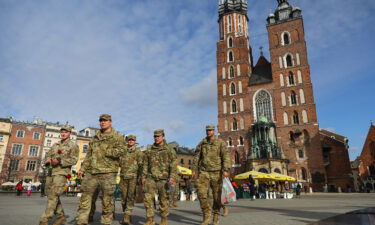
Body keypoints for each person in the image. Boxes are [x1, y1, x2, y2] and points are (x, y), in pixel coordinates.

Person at [76, 114, 125, 225]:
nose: (103, 122)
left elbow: (123, 150)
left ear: (110, 122)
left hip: (108, 173)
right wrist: (82, 168)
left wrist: (108, 151)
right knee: (85, 198)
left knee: (107, 201)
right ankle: (81, 221)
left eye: (105, 120)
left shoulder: (117, 136)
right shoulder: (95, 137)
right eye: (101, 121)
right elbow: (89, 155)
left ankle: (106, 222)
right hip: (92, 172)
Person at [39, 125, 79, 225]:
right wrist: (47, 160)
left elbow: (74, 160)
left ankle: (44, 219)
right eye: (62, 131)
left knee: (54, 194)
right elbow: (47, 154)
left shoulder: (73, 145)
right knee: (49, 194)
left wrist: (60, 161)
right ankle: (61, 216)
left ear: (70, 133)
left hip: (62, 172)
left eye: (65, 132)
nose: (63, 133)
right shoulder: (55, 144)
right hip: (51, 171)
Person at [192, 125, 230, 225]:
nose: (208, 132)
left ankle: (216, 216)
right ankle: (206, 216)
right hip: (204, 172)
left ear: (214, 131)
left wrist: (225, 169)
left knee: (217, 197)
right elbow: (196, 157)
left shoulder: (220, 143)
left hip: (217, 172)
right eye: (207, 130)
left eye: (210, 130)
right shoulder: (202, 143)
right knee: (201, 194)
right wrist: (194, 170)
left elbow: (225, 156)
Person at [141, 129, 177, 225]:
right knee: (148, 199)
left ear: (163, 137)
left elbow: (173, 164)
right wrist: (143, 176)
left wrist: (172, 176)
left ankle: (163, 219)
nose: (156, 138)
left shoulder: (169, 149)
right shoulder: (150, 150)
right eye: (155, 136)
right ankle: (150, 219)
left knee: (163, 200)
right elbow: (145, 164)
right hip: (151, 178)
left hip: (164, 179)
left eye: (158, 136)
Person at [119, 134, 143, 225]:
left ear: (135, 141)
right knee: (123, 198)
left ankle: (126, 217)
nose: (130, 141)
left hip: (133, 178)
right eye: (129, 140)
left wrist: (141, 177)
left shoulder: (138, 152)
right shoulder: (123, 151)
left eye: (132, 140)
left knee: (130, 197)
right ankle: (127, 214)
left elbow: (141, 166)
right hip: (123, 177)